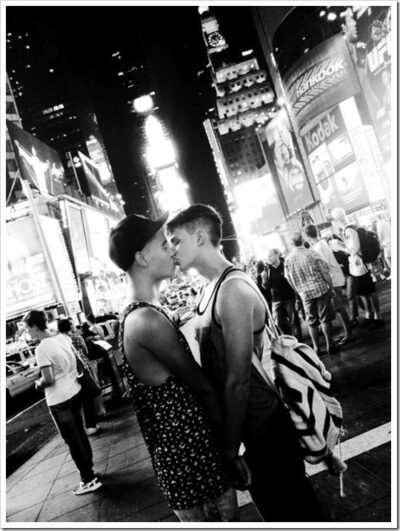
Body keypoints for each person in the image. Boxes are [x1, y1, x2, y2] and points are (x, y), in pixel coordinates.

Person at [168, 204, 323, 522]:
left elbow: (237, 380)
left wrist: (230, 450)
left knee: (296, 514)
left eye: (175, 240)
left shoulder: (232, 290)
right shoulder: (208, 289)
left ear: (199, 237)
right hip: (251, 427)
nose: (171, 250)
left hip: (264, 429)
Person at [108, 212, 238, 522]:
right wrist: (232, 450)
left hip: (188, 464)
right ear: (141, 257)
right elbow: (203, 388)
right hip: (195, 468)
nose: (171, 248)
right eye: (163, 243)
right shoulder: (146, 320)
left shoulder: (147, 311)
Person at [23, 310, 102, 495]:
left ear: (35, 326)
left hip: (59, 400)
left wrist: (37, 383)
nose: (28, 333)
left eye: (28, 329)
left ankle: (88, 480)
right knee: (80, 434)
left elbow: (48, 379)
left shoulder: (41, 348)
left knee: (72, 440)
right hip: (75, 391)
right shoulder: (62, 337)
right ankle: (89, 468)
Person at [284, 232, 339, 357]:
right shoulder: (312, 253)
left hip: (305, 294)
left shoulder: (288, 260)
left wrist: (299, 291)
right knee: (325, 319)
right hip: (320, 290)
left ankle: (316, 348)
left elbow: (289, 279)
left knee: (312, 321)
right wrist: (330, 287)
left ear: (292, 243)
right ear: (303, 241)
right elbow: (325, 272)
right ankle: (330, 345)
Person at [304, 225, 353, 346]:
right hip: (333, 277)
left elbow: (324, 265)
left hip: (333, 279)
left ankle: (348, 334)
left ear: (307, 236)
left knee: (339, 307)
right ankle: (344, 332)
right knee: (337, 308)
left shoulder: (319, 247)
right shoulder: (320, 244)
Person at [58, 318, 106, 435]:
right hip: (82, 368)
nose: (75, 326)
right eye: (73, 324)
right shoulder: (76, 337)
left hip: (72, 373)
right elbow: (85, 351)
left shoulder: (59, 340)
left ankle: (89, 424)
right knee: (90, 394)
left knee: (82, 398)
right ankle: (92, 423)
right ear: (69, 327)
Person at [344, 225, 385, 329]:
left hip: (362, 266)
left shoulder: (350, 230)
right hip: (358, 267)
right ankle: (370, 315)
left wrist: (340, 247)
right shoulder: (349, 229)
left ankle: (377, 317)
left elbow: (354, 251)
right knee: (363, 293)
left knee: (370, 292)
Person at [264, 248, 302, 340]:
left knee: (294, 320)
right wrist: (264, 279)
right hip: (276, 300)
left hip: (289, 297)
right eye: (268, 256)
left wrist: (297, 297)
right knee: (279, 322)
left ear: (277, 255)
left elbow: (293, 279)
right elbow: (266, 287)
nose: (268, 258)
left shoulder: (285, 265)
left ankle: (298, 340)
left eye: (270, 256)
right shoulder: (267, 269)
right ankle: (289, 338)